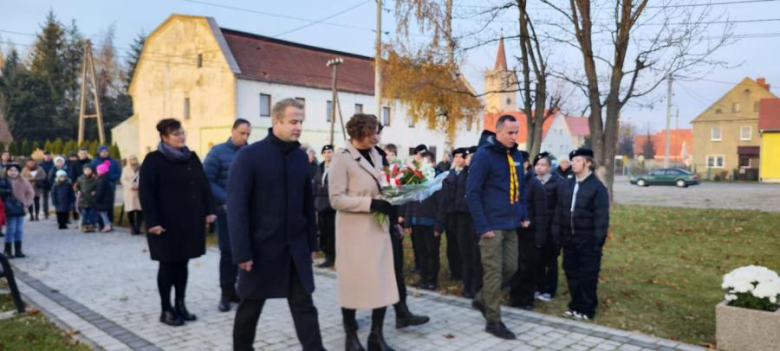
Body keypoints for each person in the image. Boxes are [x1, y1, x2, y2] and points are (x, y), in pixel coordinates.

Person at [227, 99, 324, 351]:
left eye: (300, 121)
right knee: (250, 306)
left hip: (295, 249)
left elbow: (307, 205)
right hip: (260, 249)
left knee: (304, 304)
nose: (298, 127)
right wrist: (242, 252)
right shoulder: (249, 156)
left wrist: (312, 243)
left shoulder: (301, 158)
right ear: (276, 121)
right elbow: (237, 209)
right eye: (293, 121)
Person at [329, 113, 399, 350]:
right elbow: (336, 199)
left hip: (378, 228)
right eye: (372, 134)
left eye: (378, 133)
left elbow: (381, 185)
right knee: (353, 283)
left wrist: (391, 200)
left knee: (383, 281)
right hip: (354, 233)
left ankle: (376, 337)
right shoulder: (342, 158)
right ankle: (351, 337)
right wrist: (370, 204)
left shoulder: (376, 155)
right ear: (359, 133)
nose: (377, 138)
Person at [139, 118, 217, 327]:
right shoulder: (153, 160)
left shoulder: (191, 157)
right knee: (167, 265)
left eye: (182, 133)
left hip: (189, 222)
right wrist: (152, 221)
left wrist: (210, 210)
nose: (181, 136)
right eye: (176, 134)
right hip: (164, 224)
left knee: (183, 263)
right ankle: (166, 309)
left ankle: (180, 304)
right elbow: (146, 193)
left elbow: (203, 184)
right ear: (164, 137)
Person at [466, 115, 529, 340]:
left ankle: (483, 298)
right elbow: (472, 193)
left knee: (510, 268)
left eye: (516, 132)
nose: (514, 137)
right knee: (493, 272)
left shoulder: (516, 155)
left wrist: (524, 214)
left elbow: (520, 187)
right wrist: (483, 226)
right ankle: (493, 320)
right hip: (491, 225)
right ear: (498, 132)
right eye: (510, 133)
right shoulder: (484, 156)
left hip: (511, 223)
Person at [375, 143, 430, 330]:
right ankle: (349, 315)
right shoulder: (359, 158)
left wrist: (395, 222)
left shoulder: (381, 158)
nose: (375, 136)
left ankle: (402, 313)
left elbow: (392, 193)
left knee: (396, 270)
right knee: (373, 275)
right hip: (371, 227)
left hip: (389, 226)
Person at [552, 148, 609, 321]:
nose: (573, 164)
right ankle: (575, 304)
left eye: (577, 160)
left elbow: (601, 216)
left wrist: (598, 241)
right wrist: (557, 233)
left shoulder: (597, 187)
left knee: (588, 274)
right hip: (569, 238)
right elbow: (559, 210)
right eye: (573, 161)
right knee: (571, 271)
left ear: (588, 163)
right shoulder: (567, 184)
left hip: (588, 239)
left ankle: (587, 308)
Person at [203, 118, 251, 313]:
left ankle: (238, 291)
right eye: (241, 133)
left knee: (244, 252)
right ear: (232, 131)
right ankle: (225, 293)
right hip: (227, 212)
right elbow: (207, 180)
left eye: (248, 134)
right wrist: (228, 199)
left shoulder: (251, 153)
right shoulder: (217, 152)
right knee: (228, 252)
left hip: (248, 212)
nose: (245, 137)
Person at [437, 147, 479, 298]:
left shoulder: (482, 175)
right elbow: (450, 197)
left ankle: (476, 286)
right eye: (468, 158)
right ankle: (467, 286)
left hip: (477, 219)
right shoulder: (460, 175)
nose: (469, 161)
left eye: (472, 158)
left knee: (476, 254)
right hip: (461, 218)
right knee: (465, 253)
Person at [509, 151, 547, 310]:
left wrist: (539, 236)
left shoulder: (535, 185)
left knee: (528, 267)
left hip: (529, 233)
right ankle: (515, 297)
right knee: (514, 266)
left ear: (525, 164)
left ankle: (527, 299)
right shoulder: (511, 182)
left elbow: (541, 212)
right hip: (513, 231)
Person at [404, 151, 443, 292]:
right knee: (421, 252)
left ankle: (432, 280)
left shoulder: (437, 181)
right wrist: (408, 221)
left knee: (432, 252)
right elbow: (410, 202)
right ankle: (423, 278)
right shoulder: (416, 180)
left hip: (430, 223)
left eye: (426, 162)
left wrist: (438, 224)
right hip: (416, 222)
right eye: (421, 163)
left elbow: (441, 205)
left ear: (432, 163)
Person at [533, 152, 564, 302]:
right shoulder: (532, 181)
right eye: (537, 165)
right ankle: (538, 286)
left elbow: (560, 207)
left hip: (552, 227)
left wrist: (556, 228)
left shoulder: (558, 182)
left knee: (550, 260)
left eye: (543, 165)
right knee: (537, 259)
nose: (540, 168)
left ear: (550, 167)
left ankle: (550, 289)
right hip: (536, 227)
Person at [2, 164, 34, 258]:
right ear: (6, 171)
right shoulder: (3, 181)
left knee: (19, 229)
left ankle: (18, 250)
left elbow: (30, 192)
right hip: (8, 208)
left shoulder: (23, 181)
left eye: (15, 170)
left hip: (20, 207)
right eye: (11, 170)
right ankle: (8, 250)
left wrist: (26, 203)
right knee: (11, 228)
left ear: (18, 172)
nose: (13, 172)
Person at [313, 144, 335, 268]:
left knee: (331, 232)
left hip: (331, 205)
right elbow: (315, 185)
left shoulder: (336, 167)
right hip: (320, 205)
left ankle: (332, 257)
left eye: (330, 152)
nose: (327, 154)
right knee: (323, 231)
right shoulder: (319, 167)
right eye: (325, 152)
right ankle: (327, 254)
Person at [91, 145, 121, 224]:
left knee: (109, 204)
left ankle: (110, 221)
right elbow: (92, 173)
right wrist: (99, 179)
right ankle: (100, 222)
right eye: (102, 152)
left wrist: (108, 177)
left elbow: (118, 173)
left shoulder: (114, 162)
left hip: (110, 186)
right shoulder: (94, 162)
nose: (104, 153)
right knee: (99, 203)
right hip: (99, 186)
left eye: (105, 151)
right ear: (99, 152)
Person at [121, 155, 143, 235]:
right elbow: (123, 180)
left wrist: (139, 184)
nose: (134, 160)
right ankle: (133, 228)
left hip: (139, 191)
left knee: (140, 210)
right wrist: (131, 186)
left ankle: (138, 227)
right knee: (130, 210)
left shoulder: (141, 167)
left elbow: (144, 177)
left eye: (135, 159)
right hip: (129, 192)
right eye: (132, 159)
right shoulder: (126, 169)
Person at [76, 165, 98, 233]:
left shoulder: (95, 179)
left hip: (92, 199)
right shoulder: (80, 178)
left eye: (89, 170)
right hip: (83, 199)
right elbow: (77, 187)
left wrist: (95, 191)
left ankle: (92, 225)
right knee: (84, 213)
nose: (87, 171)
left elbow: (98, 187)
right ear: (83, 170)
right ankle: (84, 225)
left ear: (91, 170)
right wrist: (78, 191)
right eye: (86, 170)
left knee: (92, 213)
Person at [95, 161, 115, 233]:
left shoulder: (102, 180)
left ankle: (107, 225)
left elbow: (100, 191)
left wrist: (96, 198)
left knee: (103, 213)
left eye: (98, 170)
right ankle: (108, 224)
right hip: (106, 199)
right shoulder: (105, 178)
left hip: (103, 200)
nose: (96, 171)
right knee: (104, 213)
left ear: (101, 171)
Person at [40, 151, 55, 220]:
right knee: (45, 199)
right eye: (46, 155)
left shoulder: (54, 164)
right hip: (44, 183)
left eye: (49, 155)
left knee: (54, 197)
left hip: (53, 183)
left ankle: (57, 210)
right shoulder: (41, 164)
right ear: (44, 156)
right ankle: (45, 212)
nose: (47, 157)